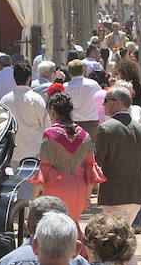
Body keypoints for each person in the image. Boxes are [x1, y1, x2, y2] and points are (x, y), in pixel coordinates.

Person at [93, 86, 141, 230]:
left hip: (113, 195)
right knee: (123, 238)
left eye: (106, 100)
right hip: (137, 197)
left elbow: (95, 163)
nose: (103, 104)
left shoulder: (105, 129)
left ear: (117, 103)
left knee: (117, 242)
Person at [30, 92, 103, 225]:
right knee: (73, 229)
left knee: (55, 232)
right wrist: (87, 198)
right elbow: (90, 167)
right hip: (78, 191)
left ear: (52, 110)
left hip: (56, 189)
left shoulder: (50, 134)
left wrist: (33, 200)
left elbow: (44, 169)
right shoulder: (84, 134)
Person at [0, 63, 48, 166]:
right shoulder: (36, 99)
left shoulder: (5, 100)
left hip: (14, 151)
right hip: (34, 150)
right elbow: (46, 125)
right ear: (29, 78)